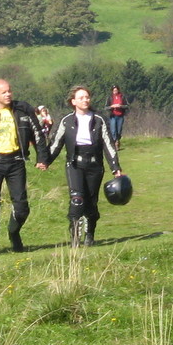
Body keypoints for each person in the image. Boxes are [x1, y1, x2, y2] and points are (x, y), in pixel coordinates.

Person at [0, 79, 51, 256]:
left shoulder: (23, 109)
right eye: (3, 92)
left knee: (21, 208)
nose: (8, 94)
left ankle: (14, 232)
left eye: (9, 91)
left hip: (16, 162)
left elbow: (37, 134)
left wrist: (42, 158)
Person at [46, 85, 123, 247]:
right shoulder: (66, 121)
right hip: (74, 163)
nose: (85, 100)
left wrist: (115, 168)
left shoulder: (99, 120)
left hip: (94, 165)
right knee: (77, 199)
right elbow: (56, 144)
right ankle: (75, 236)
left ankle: (90, 234)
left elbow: (108, 145)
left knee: (90, 202)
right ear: (73, 101)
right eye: (81, 98)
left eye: (87, 97)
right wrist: (45, 160)